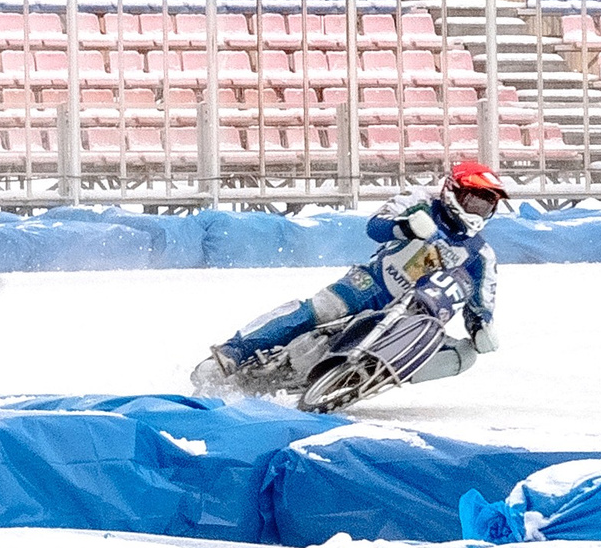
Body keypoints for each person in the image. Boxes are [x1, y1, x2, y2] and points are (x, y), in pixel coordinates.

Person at [195, 159, 507, 392]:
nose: (479, 212)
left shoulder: (482, 256)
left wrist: (481, 327)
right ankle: (233, 351)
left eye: (486, 206)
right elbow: (375, 226)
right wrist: (406, 227)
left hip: (416, 318)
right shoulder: (421, 201)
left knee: (465, 355)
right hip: (374, 284)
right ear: (453, 191)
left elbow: (481, 304)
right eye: (475, 202)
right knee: (321, 308)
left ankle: (369, 379)